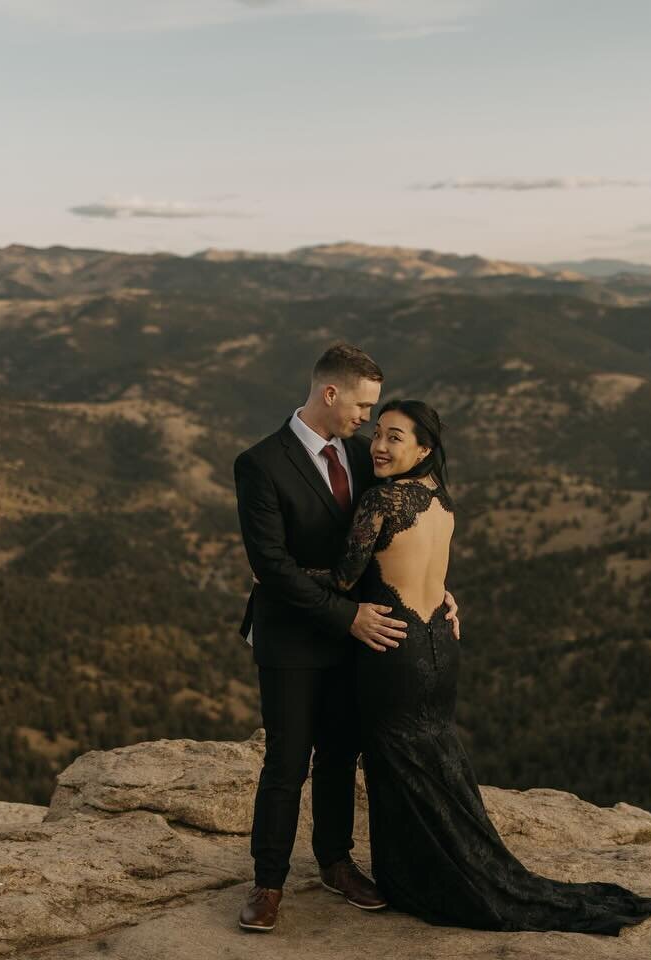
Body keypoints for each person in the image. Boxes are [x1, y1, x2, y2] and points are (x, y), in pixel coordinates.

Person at [304, 399, 651, 934]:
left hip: (394, 650)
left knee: (399, 765)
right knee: (434, 756)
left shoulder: (380, 500)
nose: (379, 447)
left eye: (395, 438)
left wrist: (283, 573)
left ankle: (420, 877)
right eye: (378, 434)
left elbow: (343, 579)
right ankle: (460, 860)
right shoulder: (442, 501)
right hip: (439, 645)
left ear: (425, 449)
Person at [232, 344, 460, 933]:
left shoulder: (367, 457)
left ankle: (335, 862)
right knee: (287, 761)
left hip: (360, 635)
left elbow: (397, 533)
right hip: (292, 634)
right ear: (330, 394)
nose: (369, 420)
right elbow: (272, 568)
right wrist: (347, 615)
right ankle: (268, 883)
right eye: (362, 406)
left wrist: (433, 590)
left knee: (340, 754)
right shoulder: (259, 463)